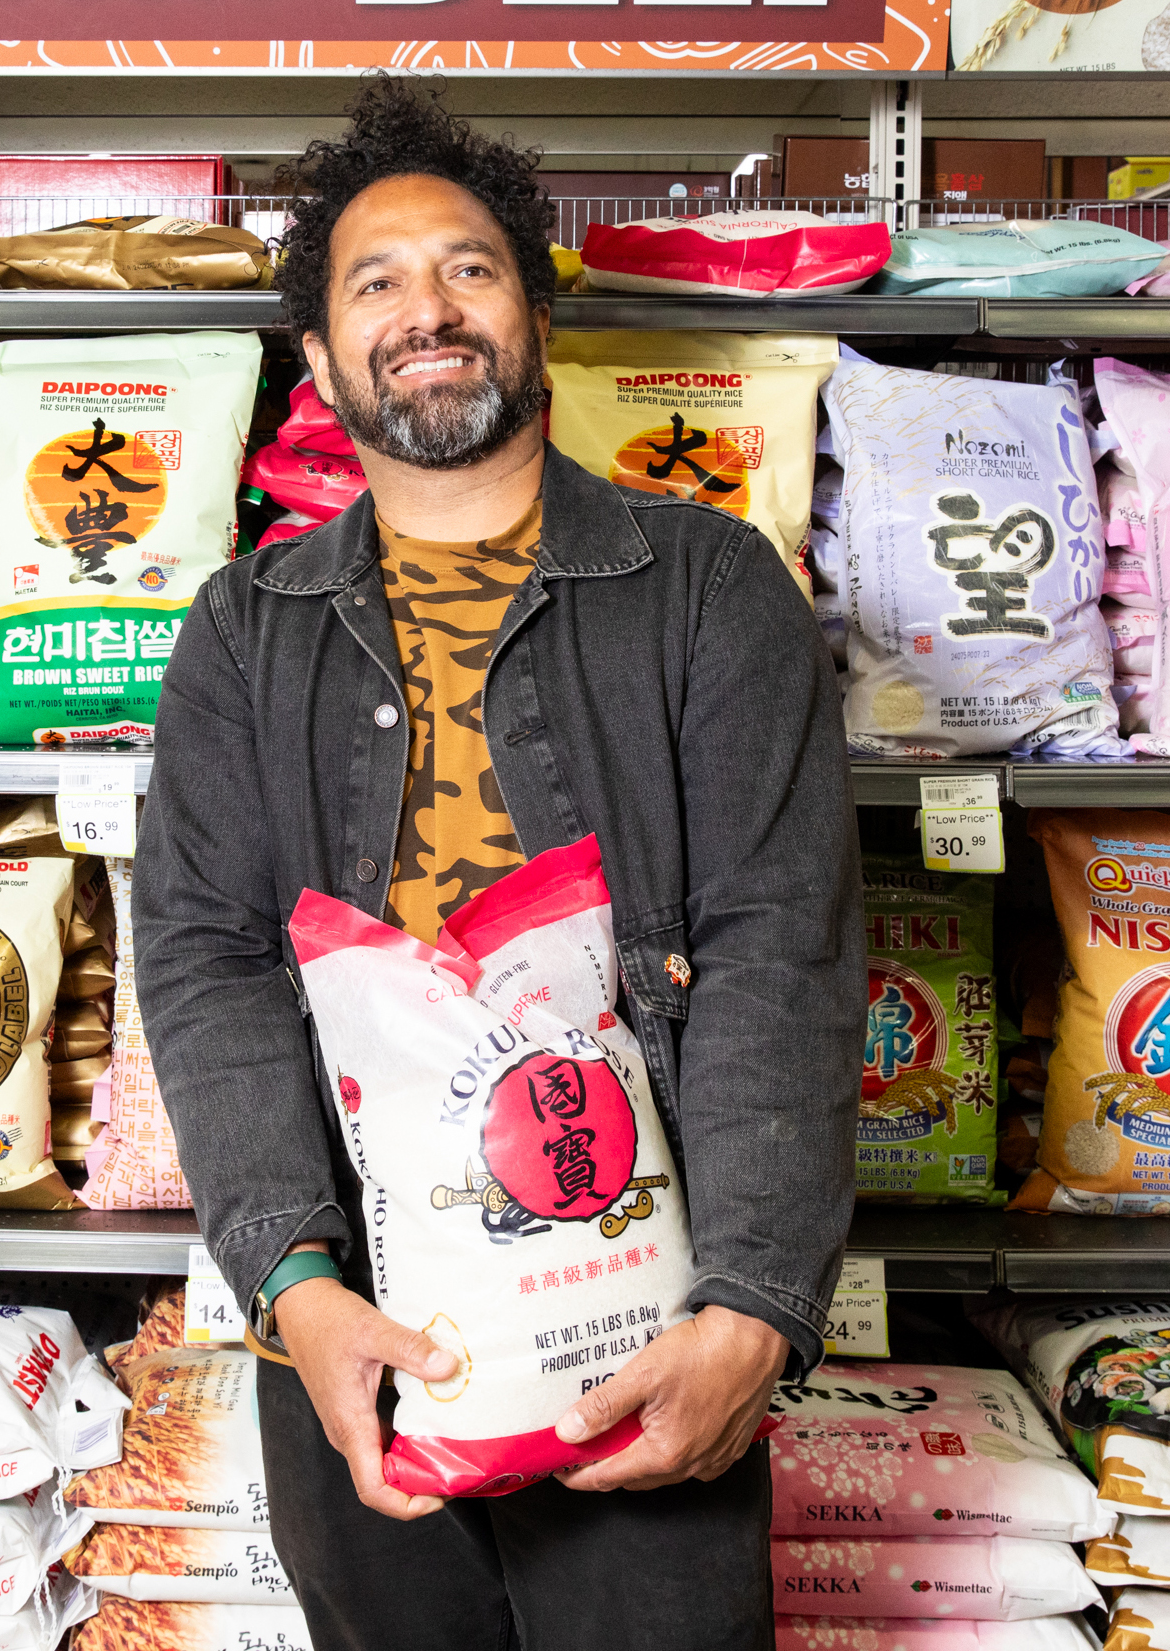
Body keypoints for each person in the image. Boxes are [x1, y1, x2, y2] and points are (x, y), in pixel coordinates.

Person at [133, 74, 865, 1651]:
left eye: (468, 267)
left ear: (535, 316)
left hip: (642, 1304)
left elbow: (776, 945)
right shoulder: (243, 635)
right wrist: (292, 1284)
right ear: (321, 362)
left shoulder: (708, 592)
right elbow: (202, 962)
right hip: (362, 1320)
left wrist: (750, 1309)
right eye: (373, 282)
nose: (427, 308)